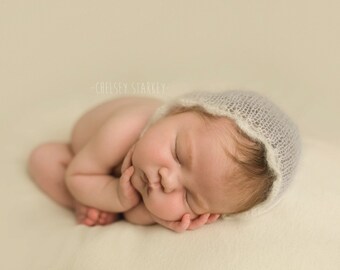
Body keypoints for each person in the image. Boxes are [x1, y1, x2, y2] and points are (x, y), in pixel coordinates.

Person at [27, 90, 301, 232]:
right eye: (179, 154)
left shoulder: (159, 179)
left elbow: (133, 214)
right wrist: (114, 197)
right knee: (43, 158)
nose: (168, 181)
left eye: (190, 198)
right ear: (179, 111)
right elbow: (78, 176)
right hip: (85, 158)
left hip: (106, 181)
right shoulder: (125, 129)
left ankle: (94, 203)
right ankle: (83, 201)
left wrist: (156, 217)